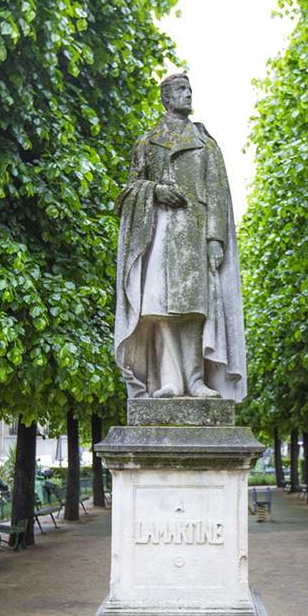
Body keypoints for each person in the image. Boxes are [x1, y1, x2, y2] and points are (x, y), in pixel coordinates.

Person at [114, 73, 246, 401]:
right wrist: (154, 190)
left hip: (194, 236)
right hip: (159, 235)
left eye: (189, 89)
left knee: (194, 311)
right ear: (166, 99)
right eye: (181, 90)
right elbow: (127, 192)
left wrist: (216, 240)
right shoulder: (147, 143)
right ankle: (170, 380)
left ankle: (196, 379)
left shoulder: (206, 144)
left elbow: (218, 194)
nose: (188, 94)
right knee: (161, 310)